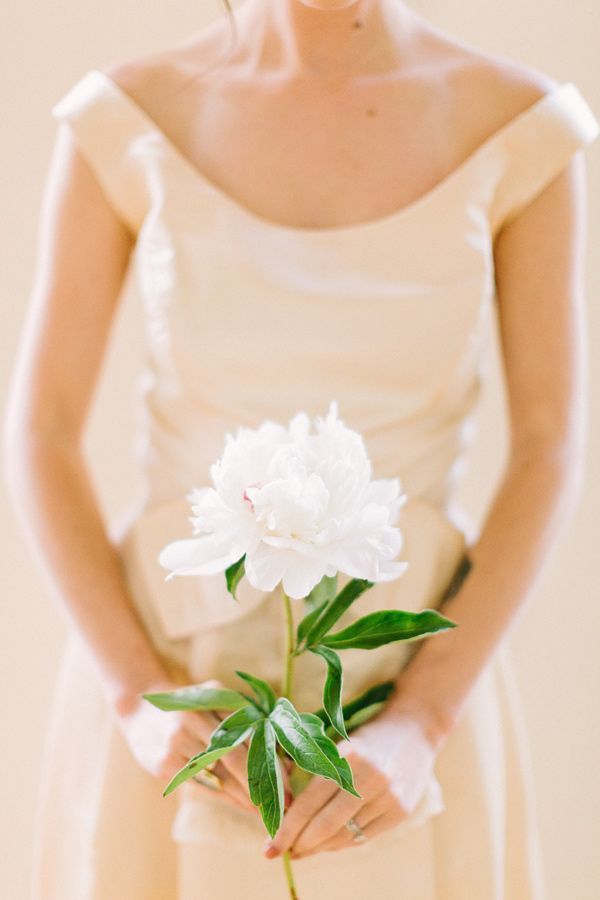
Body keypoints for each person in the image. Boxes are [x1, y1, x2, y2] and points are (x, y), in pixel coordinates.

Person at [4, 0, 599, 897]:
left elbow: (548, 446)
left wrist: (423, 720)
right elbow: (41, 429)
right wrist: (135, 697)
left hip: (410, 692)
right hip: (171, 687)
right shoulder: (128, 119)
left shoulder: (516, 127)